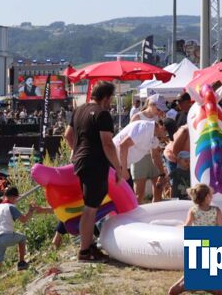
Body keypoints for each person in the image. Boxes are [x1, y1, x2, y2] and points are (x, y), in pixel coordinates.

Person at [64, 80, 124, 262]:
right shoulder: (102, 114)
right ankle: (84, 251)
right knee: (90, 209)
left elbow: (68, 135)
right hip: (95, 164)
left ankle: (90, 246)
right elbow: (107, 143)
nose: (110, 103)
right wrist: (118, 167)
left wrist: (76, 151)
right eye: (111, 99)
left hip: (81, 162)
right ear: (105, 98)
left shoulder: (79, 110)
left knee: (90, 205)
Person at [168, 183, 222, 295]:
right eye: (211, 194)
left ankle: (184, 285)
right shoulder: (216, 210)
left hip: (198, 243)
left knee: (196, 268)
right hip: (211, 244)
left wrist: (177, 227)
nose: (212, 196)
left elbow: (187, 226)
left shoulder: (193, 210)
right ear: (207, 197)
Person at [0, 187, 35, 291]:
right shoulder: (11, 207)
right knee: (22, 238)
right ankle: (21, 263)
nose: (16, 200)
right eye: (16, 198)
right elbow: (24, 220)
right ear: (13, 197)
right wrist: (31, 210)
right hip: (6, 236)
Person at [113, 120, 168, 204]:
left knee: (128, 199)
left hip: (122, 165)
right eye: (166, 133)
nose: (166, 136)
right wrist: (123, 170)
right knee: (127, 197)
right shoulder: (144, 129)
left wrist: (162, 174)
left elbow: (155, 156)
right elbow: (123, 145)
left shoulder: (154, 138)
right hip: (113, 162)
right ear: (162, 127)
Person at [129, 94, 168, 203]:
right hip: (139, 158)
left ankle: (157, 213)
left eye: (161, 109)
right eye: (158, 109)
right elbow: (129, 140)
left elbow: (158, 139)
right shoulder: (137, 117)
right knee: (139, 194)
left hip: (154, 156)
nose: (160, 112)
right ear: (151, 105)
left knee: (158, 191)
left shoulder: (158, 119)